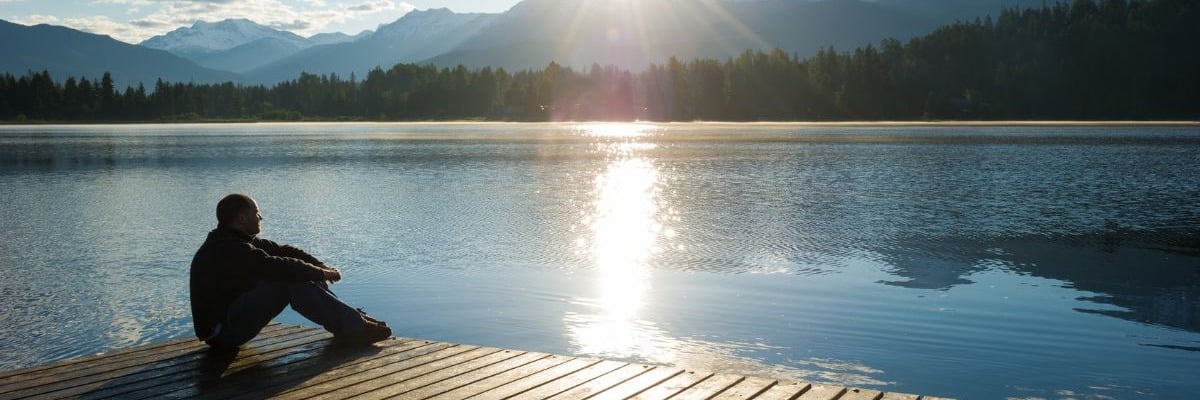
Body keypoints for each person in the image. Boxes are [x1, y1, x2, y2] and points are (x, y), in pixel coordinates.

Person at [190, 193, 391, 349]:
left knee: (300, 273)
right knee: (289, 279)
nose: (261, 217)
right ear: (242, 218)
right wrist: (322, 274)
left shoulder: (236, 240)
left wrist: (320, 266)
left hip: (229, 323)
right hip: (221, 333)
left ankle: (353, 324)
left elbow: (285, 251)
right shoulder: (227, 247)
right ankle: (354, 327)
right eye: (256, 213)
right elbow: (278, 266)